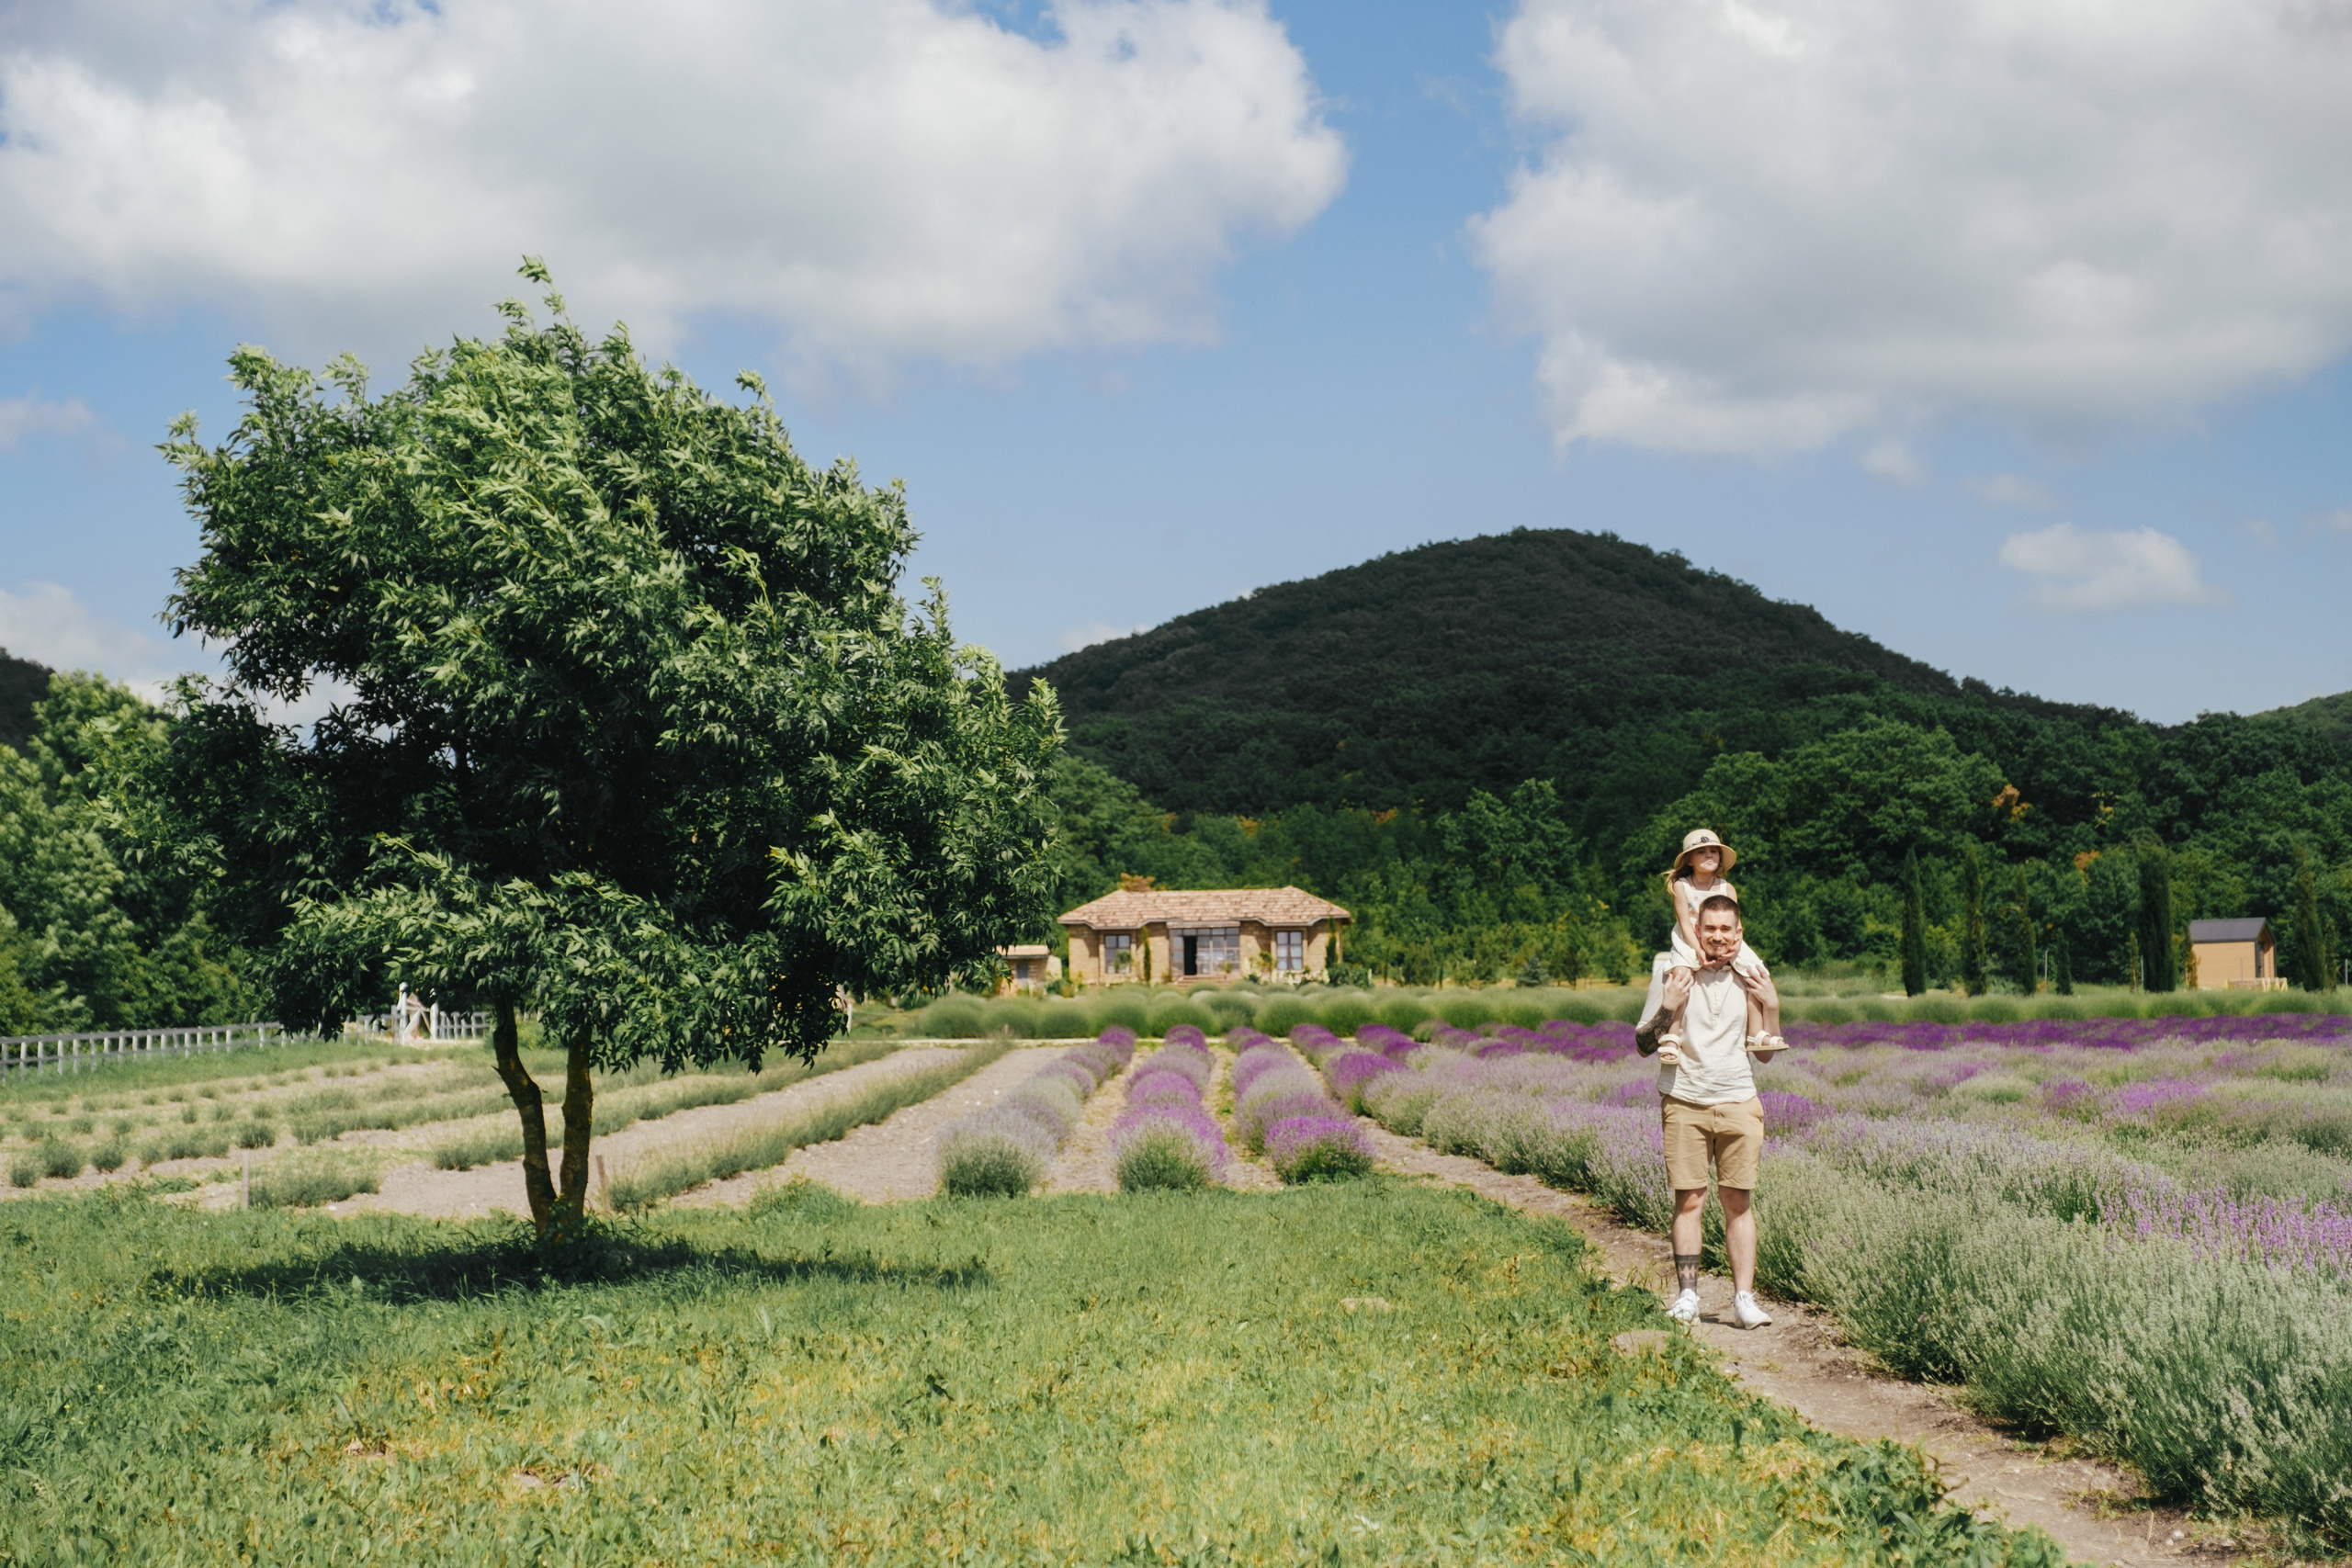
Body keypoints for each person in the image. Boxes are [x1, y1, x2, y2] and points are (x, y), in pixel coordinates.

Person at [1636, 892, 1778, 1328]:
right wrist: (1669, 1005)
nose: (1717, 937)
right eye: (1709, 928)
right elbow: (1643, 1045)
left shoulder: (1752, 974)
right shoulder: (1671, 969)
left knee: (1738, 1201)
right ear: (1696, 930)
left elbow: (1766, 1054)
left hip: (1738, 1099)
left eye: (1726, 929)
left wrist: (1771, 1004)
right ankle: (1687, 1297)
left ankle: (1743, 1300)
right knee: (1690, 1199)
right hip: (1684, 1099)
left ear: (1739, 933)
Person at [1650, 829, 1783, 1066]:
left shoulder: (1726, 888)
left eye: (1713, 851)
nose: (1709, 855)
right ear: (1689, 859)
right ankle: (1672, 1036)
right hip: (1690, 938)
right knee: (1681, 976)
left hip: (1727, 939)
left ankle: (1756, 1032)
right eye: (1701, 852)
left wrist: (1735, 947)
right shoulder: (1682, 886)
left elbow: (1736, 926)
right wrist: (1698, 950)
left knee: (1755, 973)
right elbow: (1684, 921)